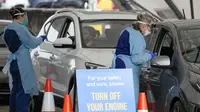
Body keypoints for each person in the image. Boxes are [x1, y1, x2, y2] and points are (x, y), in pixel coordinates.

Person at [2, 7, 46, 112]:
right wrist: (41, 38)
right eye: (23, 16)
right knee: (24, 90)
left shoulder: (7, 29)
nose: (24, 18)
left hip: (13, 63)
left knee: (15, 90)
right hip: (22, 63)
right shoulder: (21, 28)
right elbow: (31, 43)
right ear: (21, 16)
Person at [112, 13, 157, 109]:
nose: (150, 31)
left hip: (119, 65)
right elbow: (136, 59)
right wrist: (150, 55)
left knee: (120, 99)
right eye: (150, 28)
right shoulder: (138, 37)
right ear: (145, 26)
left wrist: (145, 52)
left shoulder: (127, 30)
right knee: (131, 99)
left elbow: (130, 49)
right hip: (128, 69)